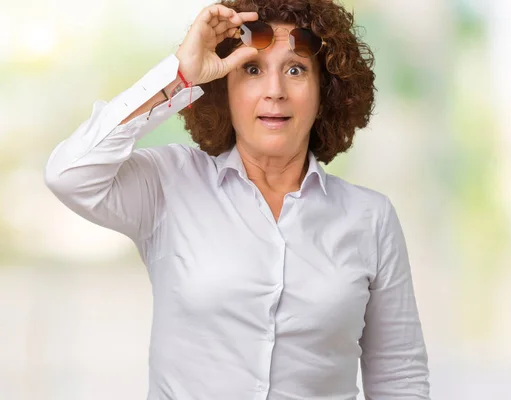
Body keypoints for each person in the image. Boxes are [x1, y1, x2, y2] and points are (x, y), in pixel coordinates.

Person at [44, 0, 431, 398]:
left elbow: (399, 377)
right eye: (251, 69)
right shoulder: (169, 185)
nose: (275, 91)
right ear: (223, 88)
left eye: (296, 70)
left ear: (325, 91)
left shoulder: (370, 218)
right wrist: (180, 74)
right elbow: (69, 174)